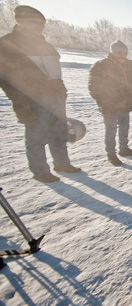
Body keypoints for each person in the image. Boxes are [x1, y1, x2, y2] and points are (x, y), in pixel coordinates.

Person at [0, 5, 81, 182]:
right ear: (19, 22)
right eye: (34, 23)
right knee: (36, 135)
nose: (39, 27)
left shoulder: (46, 45)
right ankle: (40, 171)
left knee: (59, 131)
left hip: (55, 97)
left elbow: (54, 72)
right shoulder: (7, 44)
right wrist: (20, 104)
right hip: (31, 98)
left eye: (41, 23)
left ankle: (62, 163)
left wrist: (62, 90)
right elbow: (6, 78)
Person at [88, 40, 132, 166]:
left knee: (124, 127)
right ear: (112, 52)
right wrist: (103, 101)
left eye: (125, 53)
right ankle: (111, 154)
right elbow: (93, 86)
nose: (122, 55)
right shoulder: (101, 65)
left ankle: (124, 148)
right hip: (109, 104)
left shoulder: (128, 65)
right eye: (119, 52)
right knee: (110, 129)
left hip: (124, 102)